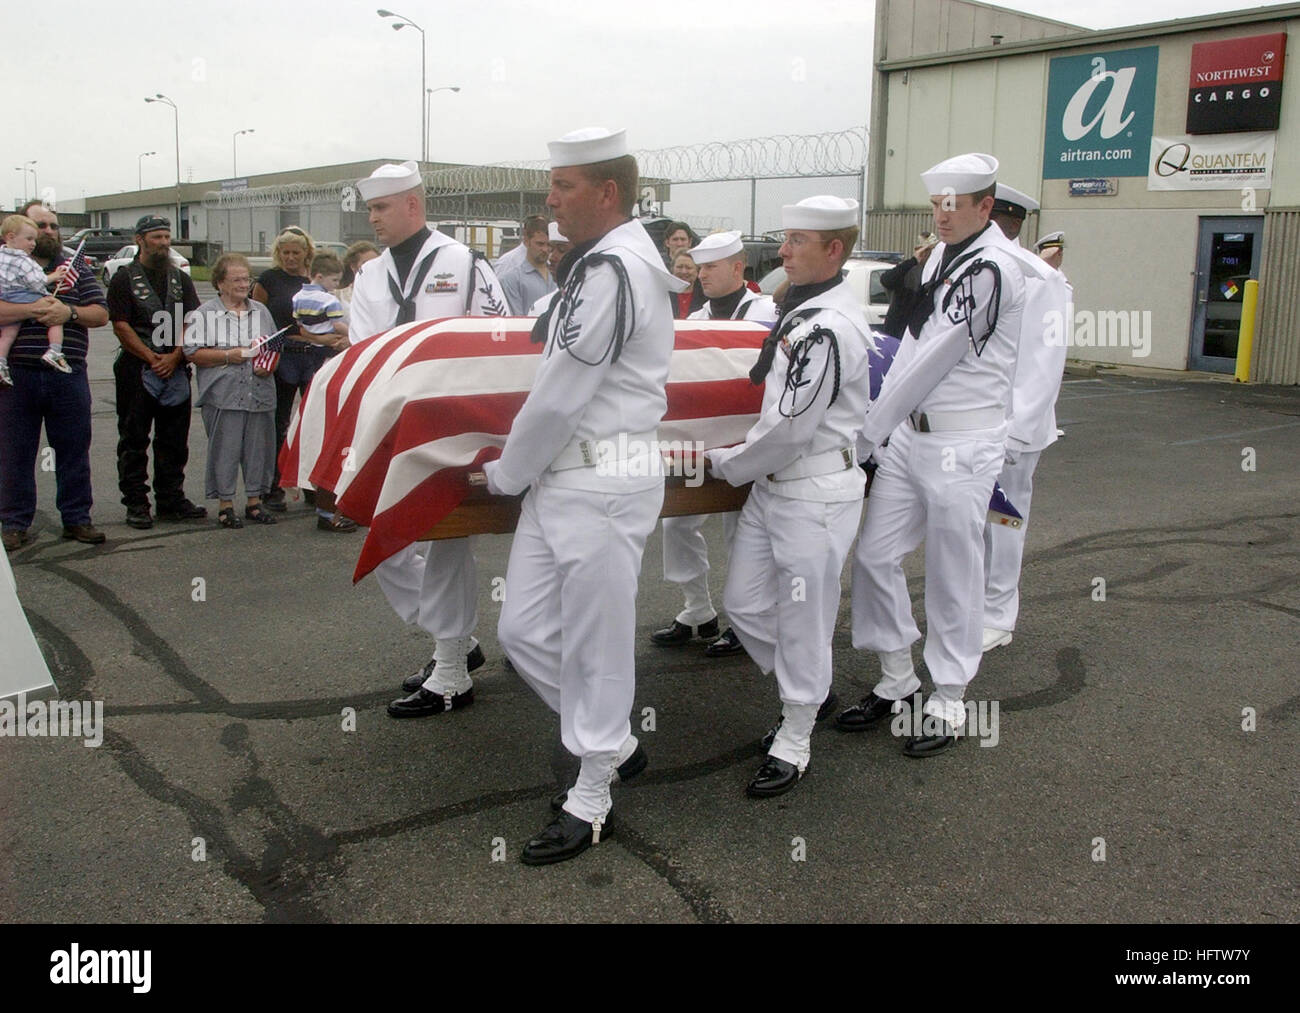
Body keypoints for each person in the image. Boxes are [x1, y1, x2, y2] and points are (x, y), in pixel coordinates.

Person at [485, 127, 688, 864]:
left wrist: (507, 472)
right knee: (524, 634)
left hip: (599, 477)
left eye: (563, 185)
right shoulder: (602, 262)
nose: (550, 197)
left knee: (598, 647)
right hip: (563, 477)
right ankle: (618, 743)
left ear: (607, 193)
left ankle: (593, 790)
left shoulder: (614, 270)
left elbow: (562, 391)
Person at [841, 153, 1027, 757]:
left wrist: (865, 434)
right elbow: (908, 343)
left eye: (954, 205)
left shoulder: (991, 269)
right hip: (912, 437)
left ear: (984, 207)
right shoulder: (947, 257)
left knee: (953, 571)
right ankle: (898, 676)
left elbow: (929, 360)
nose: (942, 215)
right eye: (936, 205)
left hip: (961, 442)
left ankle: (949, 696)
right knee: (874, 556)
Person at [704, 199, 874, 798]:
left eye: (797, 240)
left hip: (812, 493)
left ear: (834, 250)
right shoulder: (803, 310)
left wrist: (726, 463)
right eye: (784, 238)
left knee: (805, 618)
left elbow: (793, 428)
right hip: (774, 487)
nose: (782, 250)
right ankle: (811, 689)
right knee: (745, 605)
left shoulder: (828, 325)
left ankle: (796, 733)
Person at [344, 160, 508, 716]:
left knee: (445, 537)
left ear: (413, 204)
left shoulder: (463, 264)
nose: (373, 219)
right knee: (389, 538)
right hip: (394, 426)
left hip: (451, 427)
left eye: (381, 207)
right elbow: (364, 351)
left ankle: (452, 668)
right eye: (370, 208)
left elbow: (493, 335)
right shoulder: (369, 275)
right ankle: (454, 641)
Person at [651, 230, 777, 658]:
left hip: (749, 442)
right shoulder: (698, 320)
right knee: (676, 522)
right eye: (699, 267)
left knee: (741, 531)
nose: (701, 275)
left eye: (710, 267)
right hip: (701, 442)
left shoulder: (766, 313)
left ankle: (748, 621)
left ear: (738, 268)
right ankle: (697, 609)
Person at [982, 183, 1072, 652]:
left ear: (1002, 221)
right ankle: (973, 606)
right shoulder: (975, 268)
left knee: (1004, 521)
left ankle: (998, 613)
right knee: (971, 524)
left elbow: (1044, 360)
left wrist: (1015, 434)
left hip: (1014, 429)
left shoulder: (1039, 277)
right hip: (974, 426)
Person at [0, 201, 110, 550]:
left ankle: (77, 519)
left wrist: (69, 311)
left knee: (74, 449)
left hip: (67, 373)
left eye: (52, 225)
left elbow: (100, 314)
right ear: (21, 231)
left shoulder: (73, 268)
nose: (47, 232)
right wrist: (30, 308)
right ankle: (14, 522)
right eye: (39, 226)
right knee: (15, 452)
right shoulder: (6, 265)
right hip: (18, 374)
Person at [107, 215, 206, 530]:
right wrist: (151, 357)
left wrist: (175, 355)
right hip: (137, 368)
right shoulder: (124, 278)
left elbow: (192, 319)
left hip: (175, 368)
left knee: (174, 440)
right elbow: (120, 324)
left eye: (167, 237)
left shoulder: (180, 278)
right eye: (156, 237)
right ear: (140, 239)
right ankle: (136, 503)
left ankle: (170, 499)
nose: (163, 243)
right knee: (134, 438)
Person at [182, 253, 279, 529]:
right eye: (235, 279)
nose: (243, 284)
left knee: (259, 448)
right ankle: (225, 505)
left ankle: (254, 501)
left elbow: (274, 345)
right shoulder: (204, 314)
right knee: (225, 448)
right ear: (220, 283)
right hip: (223, 393)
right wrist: (228, 356)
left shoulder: (261, 310)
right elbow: (191, 352)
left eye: (246, 279)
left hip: (259, 391)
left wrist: (269, 365)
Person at [290, 250, 356, 533]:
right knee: (332, 436)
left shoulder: (301, 297)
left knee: (344, 439)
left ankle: (337, 505)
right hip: (331, 367)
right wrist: (342, 338)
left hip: (333, 362)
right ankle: (327, 508)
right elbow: (335, 330)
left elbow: (301, 326)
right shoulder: (331, 300)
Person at [251, 227, 315, 512]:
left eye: (296, 252)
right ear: (278, 254)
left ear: (305, 254)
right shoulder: (268, 279)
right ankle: (273, 486)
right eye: (285, 252)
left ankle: (313, 484)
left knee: (313, 421)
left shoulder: (314, 279)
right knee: (278, 423)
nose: (290, 258)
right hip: (282, 355)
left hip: (312, 354)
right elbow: (255, 316)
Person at [0, 215, 70, 385]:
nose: (33, 243)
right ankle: (54, 350)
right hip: (26, 295)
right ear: (10, 237)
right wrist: (54, 276)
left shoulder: (2, 256)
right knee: (55, 314)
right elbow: (37, 280)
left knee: (8, 333)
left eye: (34, 240)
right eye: (29, 239)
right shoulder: (24, 259)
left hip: (6, 296)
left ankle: (1, 361)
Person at [878, 232, 937, 340]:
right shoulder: (909, 271)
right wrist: (913, 260)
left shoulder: (936, 273)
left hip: (921, 335)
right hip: (898, 334)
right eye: (929, 250)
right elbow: (886, 280)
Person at [496, 215, 555, 314]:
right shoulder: (511, 277)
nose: (545, 249)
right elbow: (516, 320)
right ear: (527, 241)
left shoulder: (557, 275)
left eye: (549, 245)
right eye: (540, 244)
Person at [337, 240, 380, 311]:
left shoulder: (387, 294)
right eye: (366, 263)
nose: (372, 266)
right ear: (353, 266)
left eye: (376, 262)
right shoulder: (339, 296)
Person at [670, 250, 704, 318]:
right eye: (679, 267)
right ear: (672, 269)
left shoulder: (706, 296)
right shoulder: (663, 294)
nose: (684, 271)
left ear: (697, 271)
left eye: (688, 268)